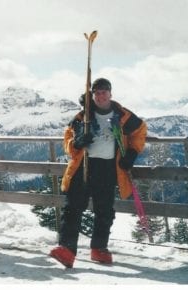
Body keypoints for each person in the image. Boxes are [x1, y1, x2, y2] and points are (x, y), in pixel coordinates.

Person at [49, 78, 147, 268]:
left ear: (110, 93)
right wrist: (76, 143)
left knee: (105, 211)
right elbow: (68, 138)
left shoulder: (123, 115)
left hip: (109, 168)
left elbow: (140, 131)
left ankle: (99, 249)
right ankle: (67, 250)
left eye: (104, 92)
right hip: (83, 166)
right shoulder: (83, 116)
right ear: (92, 95)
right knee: (73, 208)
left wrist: (133, 153)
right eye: (97, 93)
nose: (101, 96)